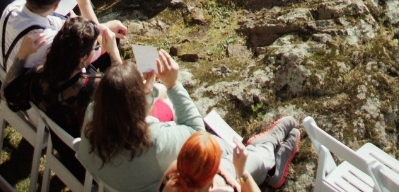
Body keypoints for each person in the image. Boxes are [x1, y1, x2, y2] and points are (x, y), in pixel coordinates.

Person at [78, 55, 299, 192]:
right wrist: (173, 84)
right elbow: (196, 131)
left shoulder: (93, 114)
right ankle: (269, 158)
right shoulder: (152, 142)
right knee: (233, 159)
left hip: (125, 182)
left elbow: (124, 108)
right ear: (136, 105)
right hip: (176, 183)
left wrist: (145, 90)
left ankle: (265, 157)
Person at [28, 16, 123, 174]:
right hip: (96, 164)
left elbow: (7, 92)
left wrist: (22, 56)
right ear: (83, 58)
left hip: (66, 152)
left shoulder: (39, 77)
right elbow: (124, 93)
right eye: (94, 48)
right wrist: (113, 52)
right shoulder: (93, 87)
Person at [0, 0, 125, 74]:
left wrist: (102, 26)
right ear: (56, 6)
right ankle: (111, 90)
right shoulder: (47, 40)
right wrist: (84, 2)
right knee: (108, 47)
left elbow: (61, 23)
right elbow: (93, 46)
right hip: (36, 92)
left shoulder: (14, 7)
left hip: (8, 69)